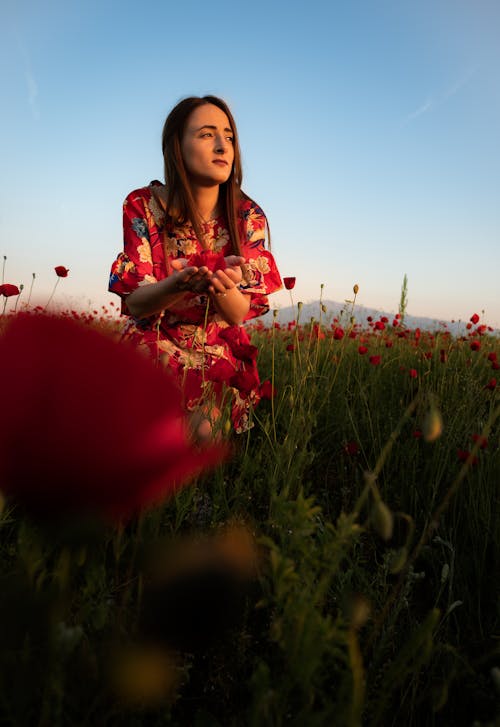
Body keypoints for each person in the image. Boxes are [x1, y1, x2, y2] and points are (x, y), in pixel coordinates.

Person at [109, 95, 282, 434]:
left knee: (204, 430)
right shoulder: (143, 205)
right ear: (177, 146)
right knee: (149, 424)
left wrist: (222, 286)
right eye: (206, 134)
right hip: (155, 337)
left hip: (215, 345)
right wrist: (179, 284)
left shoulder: (247, 215)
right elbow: (135, 302)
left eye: (229, 137)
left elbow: (235, 313)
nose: (222, 146)